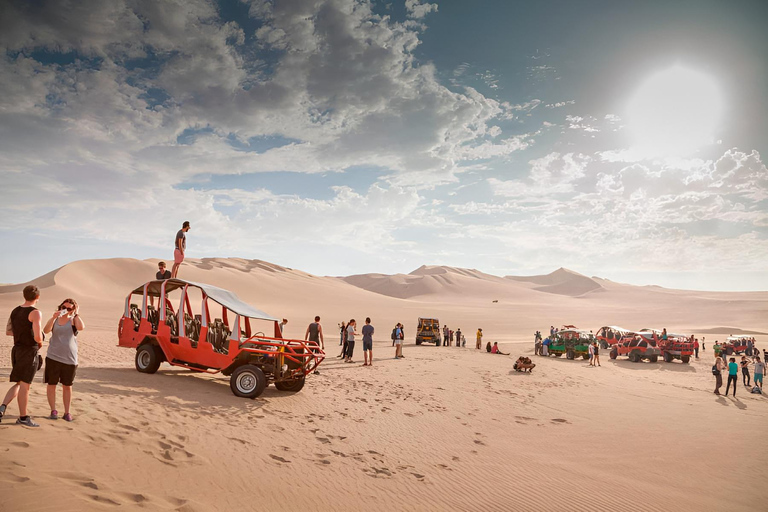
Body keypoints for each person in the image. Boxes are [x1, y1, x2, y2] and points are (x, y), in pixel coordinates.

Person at [1, 285, 44, 427]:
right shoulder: (35, 313)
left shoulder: (15, 311)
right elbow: (38, 337)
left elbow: (9, 332)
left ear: (24, 295)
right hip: (28, 352)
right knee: (25, 386)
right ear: (37, 297)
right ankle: (23, 417)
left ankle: (2, 407)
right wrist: (41, 341)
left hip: (17, 350)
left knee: (19, 383)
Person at [43, 298, 84, 422]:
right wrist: (53, 317)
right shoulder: (55, 319)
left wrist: (76, 314)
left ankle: (67, 412)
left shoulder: (73, 320)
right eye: (63, 307)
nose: (65, 310)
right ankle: (53, 410)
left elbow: (81, 327)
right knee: (51, 384)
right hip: (53, 357)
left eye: (69, 308)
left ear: (73, 309)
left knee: (67, 386)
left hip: (70, 359)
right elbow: (46, 330)